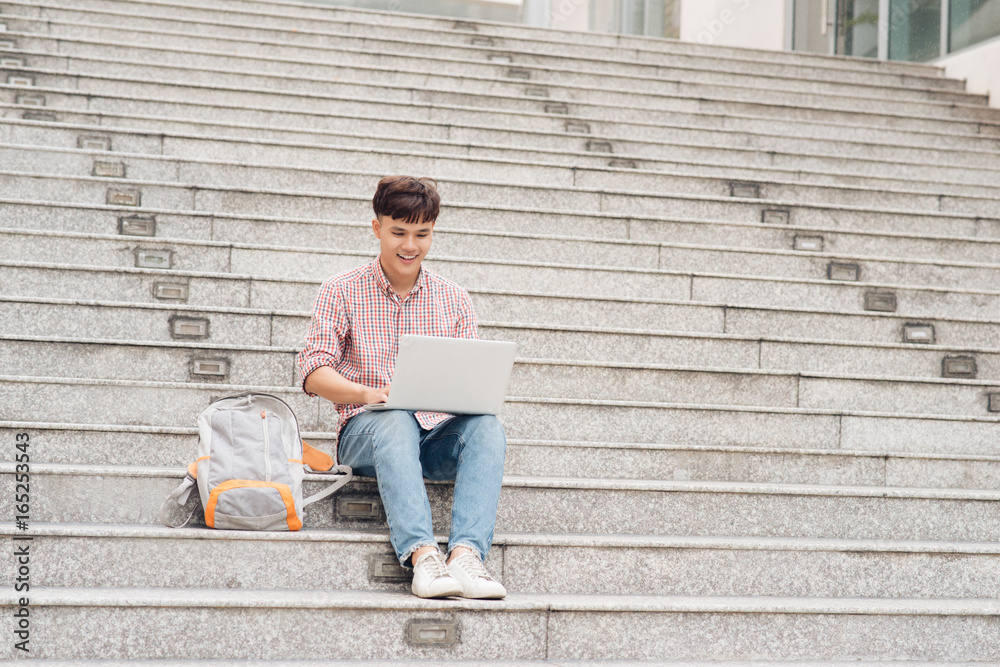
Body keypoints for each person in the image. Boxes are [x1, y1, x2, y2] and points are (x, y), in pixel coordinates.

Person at [296, 175, 508, 599]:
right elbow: (313, 372)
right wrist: (365, 394)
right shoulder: (341, 290)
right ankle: (423, 555)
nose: (410, 245)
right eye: (398, 232)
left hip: (434, 435)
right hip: (368, 432)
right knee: (394, 418)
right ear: (377, 228)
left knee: (488, 425)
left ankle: (466, 555)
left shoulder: (454, 299)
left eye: (422, 234)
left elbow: (468, 377)